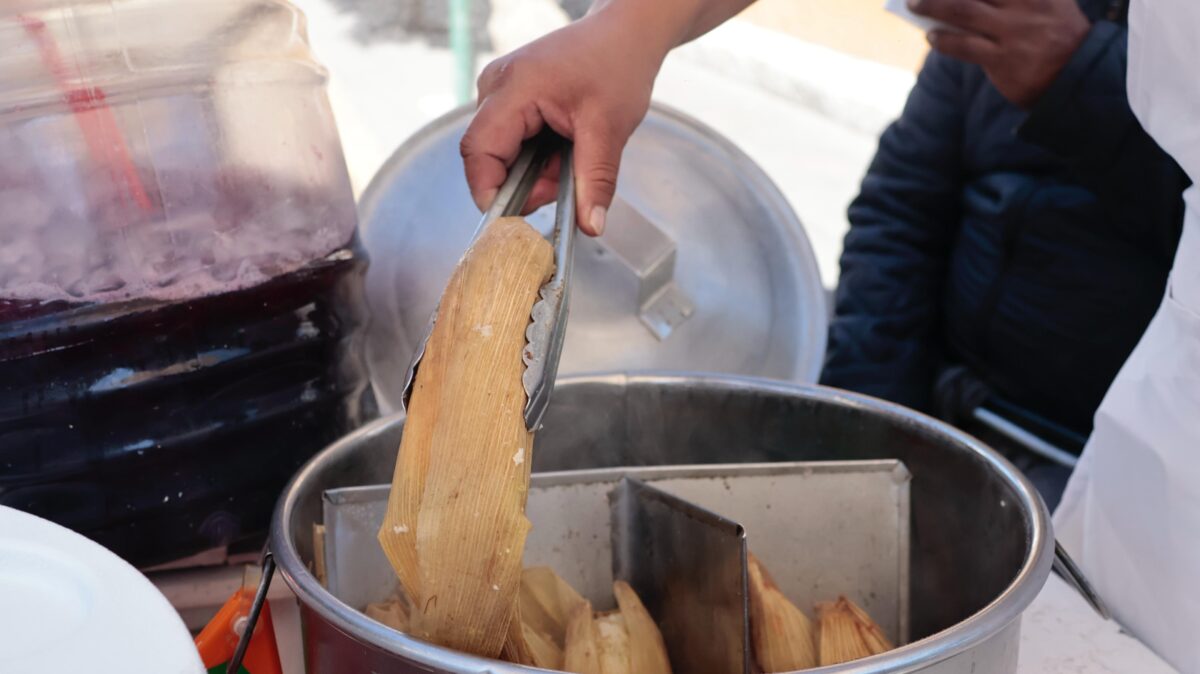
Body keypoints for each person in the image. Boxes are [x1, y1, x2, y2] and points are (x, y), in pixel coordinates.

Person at [461, 0, 1200, 669]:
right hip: (1105, 454)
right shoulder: (985, 42)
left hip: (1079, 450)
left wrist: (1079, 80)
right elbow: (900, 218)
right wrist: (864, 439)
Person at [820, 0, 1186, 510]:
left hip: (1104, 470)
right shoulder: (1008, 13)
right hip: (939, 401)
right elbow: (901, 212)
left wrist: (1081, 78)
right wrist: (871, 427)